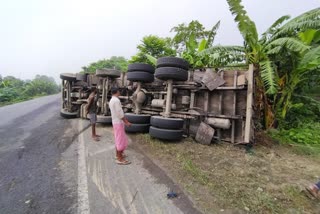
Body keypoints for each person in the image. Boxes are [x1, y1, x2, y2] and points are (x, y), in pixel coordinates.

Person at [109, 87, 131, 165]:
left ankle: (118, 154)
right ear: (117, 92)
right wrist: (127, 122)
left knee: (118, 138)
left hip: (115, 122)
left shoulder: (112, 100)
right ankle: (120, 158)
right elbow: (119, 113)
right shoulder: (116, 100)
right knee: (120, 139)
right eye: (119, 91)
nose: (120, 92)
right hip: (118, 122)